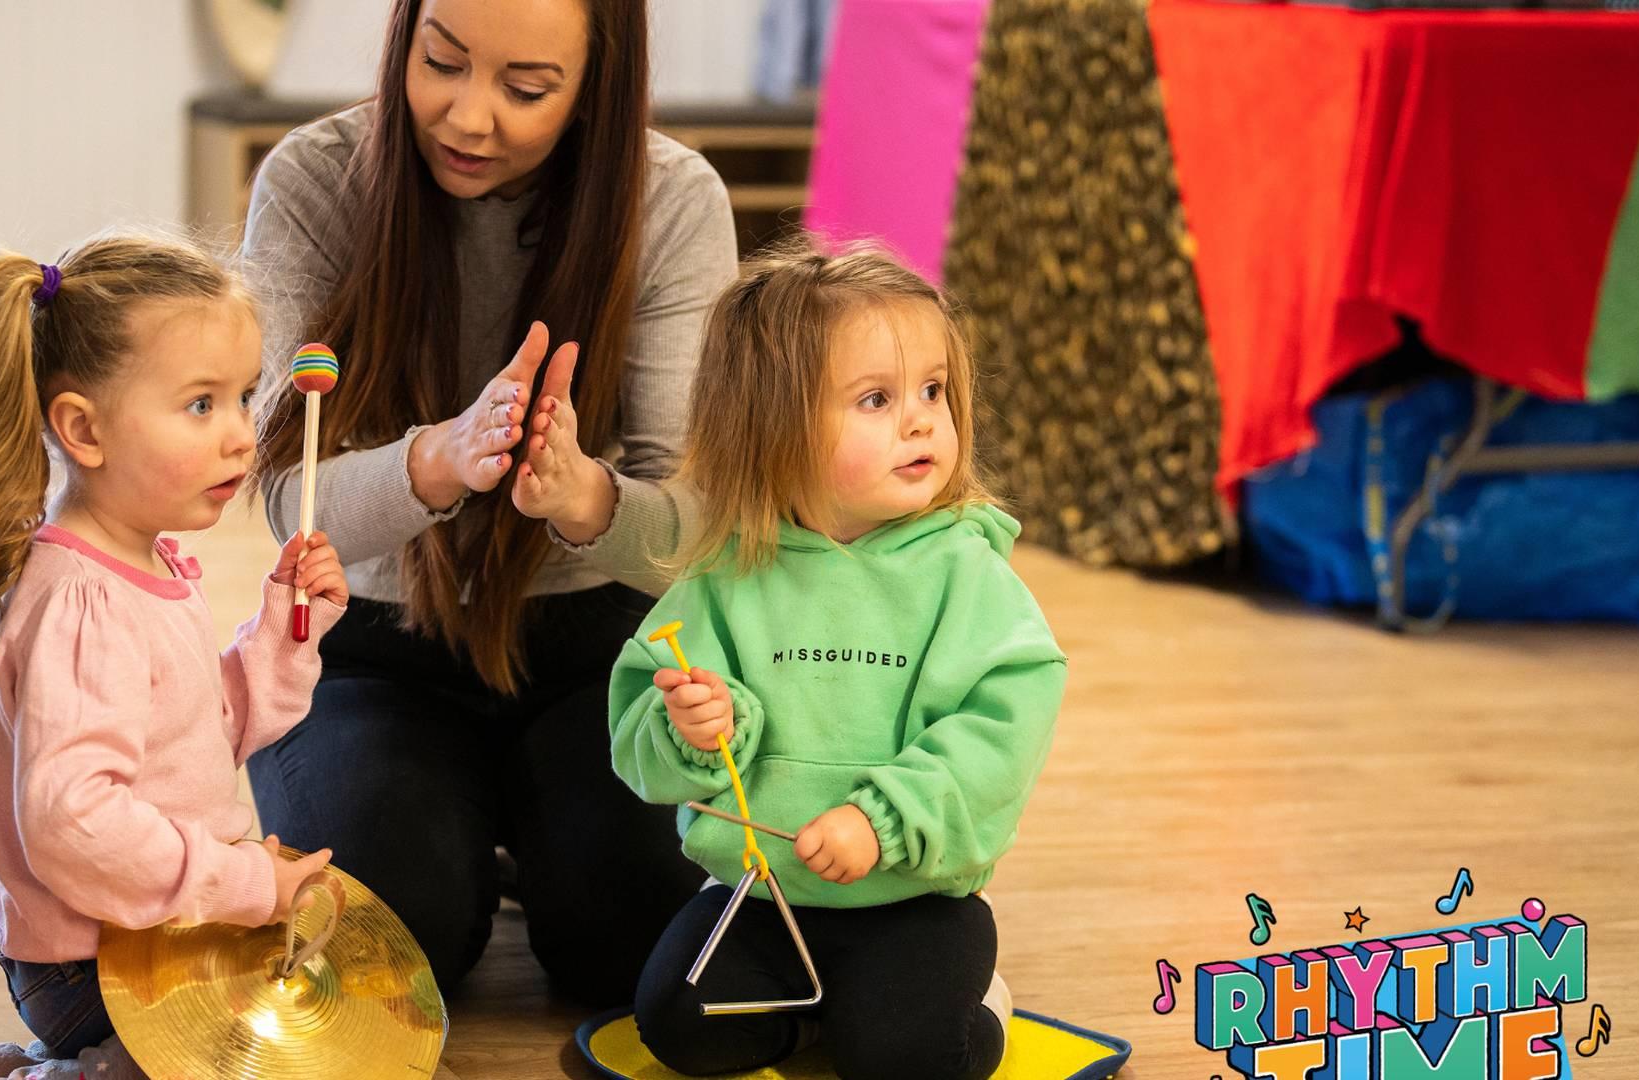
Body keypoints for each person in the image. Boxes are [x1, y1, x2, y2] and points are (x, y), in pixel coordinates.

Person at [242, 0, 733, 1003]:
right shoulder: (310, 181)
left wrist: (584, 495)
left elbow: (694, 531)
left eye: (526, 89)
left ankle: (528, 837)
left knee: (631, 945)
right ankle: (471, 840)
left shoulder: (674, 199)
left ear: (596, 80)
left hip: (601, 648)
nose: (468, 119)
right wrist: (439, 462)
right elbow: (289, 493)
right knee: (396, 946)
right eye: (443, 63)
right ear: (403, 38)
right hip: (372, 650)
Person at [0, 235, 349, 1079]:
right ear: (83, 430)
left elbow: (205, 734)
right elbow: (73, 823)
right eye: (201, 405)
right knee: (273, 1059)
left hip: (149, 923)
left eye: (243, 397)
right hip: (90, 961)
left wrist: (290, 628)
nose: (244, 437)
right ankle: (82, 1067)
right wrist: (242, 883)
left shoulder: (146, 562)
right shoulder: (82, 603)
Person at [609, 243, 1067, 1080]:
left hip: (914, 900)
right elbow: (644, 738)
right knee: (678, 1024)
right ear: (771, 428)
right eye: (876, 399)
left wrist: (878, 823)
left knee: (904, 1058)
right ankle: (821, 1019)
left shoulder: (966, 574)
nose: (924, 419)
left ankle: (974, 1003)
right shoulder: (725, 574)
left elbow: (1001, 728)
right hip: (758, 896)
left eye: (933, 391)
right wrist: (698, 727)